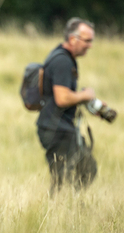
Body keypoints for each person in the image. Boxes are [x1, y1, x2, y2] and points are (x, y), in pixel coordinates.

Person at [37, 17, 96, 190]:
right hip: (56, 129)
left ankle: (69, 208)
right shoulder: (62, 61)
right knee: (73, 173)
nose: (90, 45)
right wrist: (85, 95)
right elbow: (62, 98)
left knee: (73, 172)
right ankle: (64, 209)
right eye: (87, 41)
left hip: (56, 127)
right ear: (72, 39)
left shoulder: (61, 56)